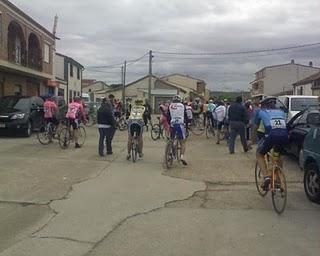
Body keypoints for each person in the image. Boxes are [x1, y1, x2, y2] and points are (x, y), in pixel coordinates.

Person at [252, 97, 288, 191]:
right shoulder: (281, 112)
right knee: (277, 156)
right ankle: (279, 180)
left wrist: (252, 139)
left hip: (271, 136)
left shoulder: (261, 112)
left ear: (263, 105)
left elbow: (255, 127)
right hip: (284, 136)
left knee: (259, 154)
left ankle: (266, 176)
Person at [168, 95, 189, 165]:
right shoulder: (182, 106)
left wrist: (169, 123)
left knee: (171, 138)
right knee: (183, 142)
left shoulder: (170, 105)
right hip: (180, 124)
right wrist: (187, 123)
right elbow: (185, 116)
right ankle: (182, 156)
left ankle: (170, 149)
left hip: (172, 124)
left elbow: (168, 116)